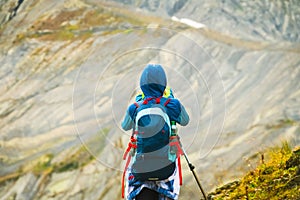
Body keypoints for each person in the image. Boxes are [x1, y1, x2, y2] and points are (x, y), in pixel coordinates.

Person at [121, 64, 189, 200]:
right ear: (163, 84)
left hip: (141, 169)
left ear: (142, 84)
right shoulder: (172, 105)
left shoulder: (135, 108)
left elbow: (125, 126)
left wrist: (139, 103)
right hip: (166, 169)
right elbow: (185, 120)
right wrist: (172, 100)